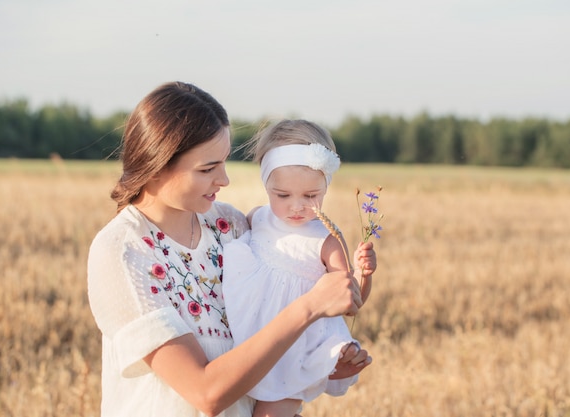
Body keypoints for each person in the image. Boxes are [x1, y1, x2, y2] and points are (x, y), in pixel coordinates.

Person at [86, 82, 373, 417]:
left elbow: (271, 337)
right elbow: (205, 393)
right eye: (208, 168)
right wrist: (308, 308)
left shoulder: (233, 228)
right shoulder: (122, 251)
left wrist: (316, 363)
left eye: (223, 163)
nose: (224, 179)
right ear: (157, 165)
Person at [223, 119, 377, 417]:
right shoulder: (257, 218)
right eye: (282, 195)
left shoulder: (327, 240)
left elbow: (350, 302)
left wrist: (364, 275)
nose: (297, 206)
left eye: (310, 196)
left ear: (325, 187)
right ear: (266, 184)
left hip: (294, 348)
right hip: (247, 335)